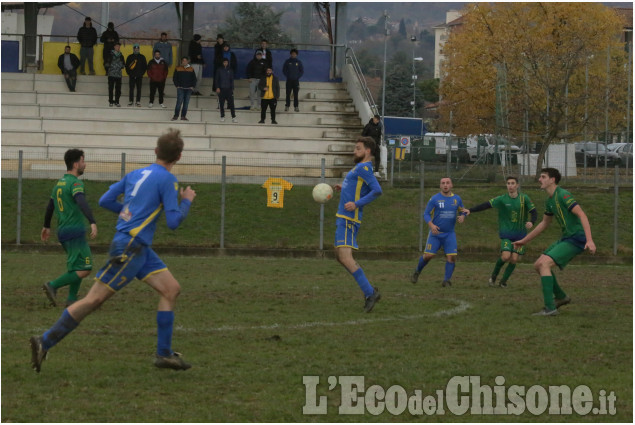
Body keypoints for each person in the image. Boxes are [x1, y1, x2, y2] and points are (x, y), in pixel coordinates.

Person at [30, 129, 197, 373]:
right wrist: (187, 201)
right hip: (131, 246)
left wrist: (128, 211)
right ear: (179, 157)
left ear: (155, 151)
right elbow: (173, 222)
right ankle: (44, 341)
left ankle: (164, 354)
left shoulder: (136, 173)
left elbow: (105, 200)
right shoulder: (168, 180)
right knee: (93, 299)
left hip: (138, 247)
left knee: (171, 289)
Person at [512, 168, 596, 316]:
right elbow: (544, 223)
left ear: (552, 180)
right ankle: (561, 297)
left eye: (543, 177)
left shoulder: (563, 195)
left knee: (544, 264)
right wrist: (524, 240)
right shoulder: (550, 200)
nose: (539, 179)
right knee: (538, 265)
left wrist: (589, 240)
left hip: (577, 238)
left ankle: (550, 308)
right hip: (567, 237)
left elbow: (582, 214)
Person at [41, 149, 98, 308]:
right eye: (82, 160)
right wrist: (92, 221)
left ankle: (71, 299)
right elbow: (80, 200)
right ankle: (53, 285)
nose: (84, 164)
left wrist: (46, 226)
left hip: (63, 231)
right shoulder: (75, 183)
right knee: (86, 268)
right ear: (75, 164)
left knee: (76, 266)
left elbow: (50, 206)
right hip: (74, 231)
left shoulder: (59, 183)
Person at [334, 136, 383, 313]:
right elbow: (360, 187)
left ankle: (370, 293)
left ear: (367, 151)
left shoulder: (364, 167)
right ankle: (369, 290)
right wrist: (343, 187)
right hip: (344, 216)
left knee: (346, 258)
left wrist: (356, 204)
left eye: (358, 148)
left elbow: (377, 190)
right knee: (340, 257)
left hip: (349, 218)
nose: (354, 151)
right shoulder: (359, 167)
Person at [464, 176, 537, 288]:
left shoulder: (524, 198)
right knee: (505, 256)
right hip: (507, 235)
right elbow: (486, 205)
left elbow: (534, 212)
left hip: (521, 236)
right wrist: (470, 210)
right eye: (508, 183)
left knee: (514, 259)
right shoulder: (502, 199)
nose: (510, 186)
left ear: (517, 185)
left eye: (513, 183)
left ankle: (503, 282)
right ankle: (493, 277)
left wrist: (531, 222)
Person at [411, 177, 466, 287]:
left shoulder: (457, 199)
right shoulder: (434, 199)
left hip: (449, 234)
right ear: (440, 186)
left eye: (447, 183)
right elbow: (426, 214)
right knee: (428, 256)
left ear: (451, 185)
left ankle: (446, 281)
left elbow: (463, 210)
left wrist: (462, 216)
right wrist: (431, 225)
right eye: (443, 183)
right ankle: (417, 271)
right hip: (436, 234)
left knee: (452, 257)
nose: (445, 185)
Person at [172, 56, 196, 121]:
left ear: (188, 61)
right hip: (180, 88)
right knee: (179, 102)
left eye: (185, 61)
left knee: (186, 103)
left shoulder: (191, 69)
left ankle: (183, 116)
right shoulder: (178, 68)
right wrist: (177, 85)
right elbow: (174, 78)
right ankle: (176, 116)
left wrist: (192, 86)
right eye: (183, 61)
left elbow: (194, 79)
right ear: (181, 61)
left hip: (188, 89)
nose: (184, 62)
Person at [215, 57, 237, 123]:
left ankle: (233, 117)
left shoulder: (230, 70)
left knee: (231, 104)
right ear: (222, 63)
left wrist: (232, 88)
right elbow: (216, 80)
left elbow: (232, 80)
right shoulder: (219, 70)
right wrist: (217, 87)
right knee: (221, 104)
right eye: (224, 62)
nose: (225, 63)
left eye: (226, 62)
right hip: (221, 89)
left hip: (229, 89)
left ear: (228, 63)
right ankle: (222, 116)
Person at [107, 42, 124, 107]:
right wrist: (111, 66)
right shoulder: (110, 54)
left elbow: (123, 64)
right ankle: (111, 101)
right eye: (117, 46)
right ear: (114, 47)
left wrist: (121, 66)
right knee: (111, 88)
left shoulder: (121, 55)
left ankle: (117, 101)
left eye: (119, 46)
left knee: (118, 89)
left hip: (118, 75)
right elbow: (106, 62)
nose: (118, 47)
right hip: (111, 74)